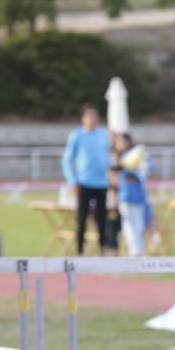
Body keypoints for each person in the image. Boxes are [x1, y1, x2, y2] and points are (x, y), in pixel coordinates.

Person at [60, 105, 114, 255]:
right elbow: (67, 159)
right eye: (89, 116)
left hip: (101, 183)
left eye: (94, 116)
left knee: (102, 218)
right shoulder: (77, 135)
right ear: (83, 118)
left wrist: (113, 168)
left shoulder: (103, 135)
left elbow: (106, 158)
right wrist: (72, 180)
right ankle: (80, 249)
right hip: (84, 182)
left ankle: (103, 247)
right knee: (82, 217)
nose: (92, 119)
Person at [111, 132, 154, 256]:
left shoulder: (136, 156)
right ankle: (134, 250)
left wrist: (136, 169)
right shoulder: (116, 159)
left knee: (139, 223)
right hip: (125, 196)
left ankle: (139, 249)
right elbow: (114, 176)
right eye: (119, 142)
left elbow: (148, 167)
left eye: (124, 141)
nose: (122, 144)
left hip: (138, 196)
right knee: (128, 223)